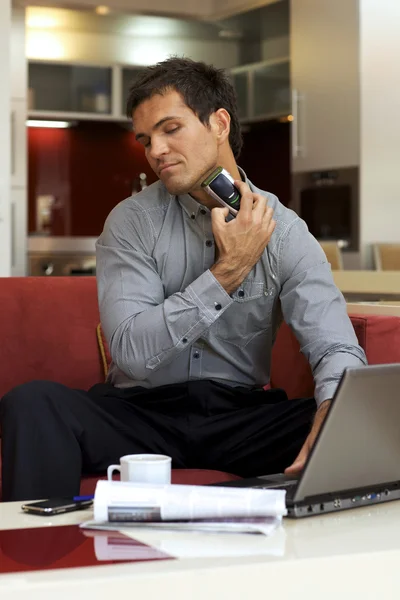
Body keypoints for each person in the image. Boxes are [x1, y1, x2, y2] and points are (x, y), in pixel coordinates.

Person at [0, 57, 367, 502]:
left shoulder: (284, 230)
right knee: (34, 404)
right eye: (145, 139)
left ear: (219, 123)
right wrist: (226, 273)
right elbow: (132, 353)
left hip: (241, 418)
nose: (155, 150)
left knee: (358, 421)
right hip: (140, 415)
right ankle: (36, 559)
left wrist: (332, 412)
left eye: (170, 129)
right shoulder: (131, 222)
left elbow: (335, 346)